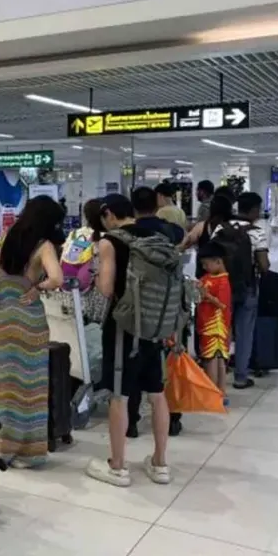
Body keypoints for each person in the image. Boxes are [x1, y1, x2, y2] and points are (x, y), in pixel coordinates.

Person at [86, 193, 170, 487]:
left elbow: (107, 289)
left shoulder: (110, 242)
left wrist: (96, 273)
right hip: (155, 324)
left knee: (119, 394)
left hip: (124, 327)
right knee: (157, 393)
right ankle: (160, 463)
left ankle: (118, 465)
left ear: (109, 214)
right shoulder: (158, 236)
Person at [0, 195, 64, 469]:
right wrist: (38, 287)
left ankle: (0, 443)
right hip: (29, 321)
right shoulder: (43, 246)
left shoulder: (7, 237)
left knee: (4, 382)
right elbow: (57, 278)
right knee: (30, 387)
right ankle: (27, 451)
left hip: (4, 318)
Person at [127, 187, 185, 438]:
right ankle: (172, 418)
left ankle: (131, 422)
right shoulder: (171, 231)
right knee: (168, 365)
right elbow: (182, 239)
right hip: (169, 307)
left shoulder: (127, 234)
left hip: (138, 308)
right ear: (156, 204)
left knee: (131, 366)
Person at [227, 192, 269, 389]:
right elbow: (264, 265)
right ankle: (241, 377)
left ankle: (216, 374)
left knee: (221, 331)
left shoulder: (221, 228)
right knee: (244, 333)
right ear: (254, 210)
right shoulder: (257, 232)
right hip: (247, 287)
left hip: (222, 287)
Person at [196, 242, 232, 400]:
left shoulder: (223, 281)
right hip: (207, 323)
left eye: (206, 264)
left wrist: (207, 295)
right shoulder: (208, 277)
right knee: (216, 358)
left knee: (212, 357)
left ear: (218, 261)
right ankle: (219, 393)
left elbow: (222, 304)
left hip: (215, 325)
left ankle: (214, 394)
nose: (204, 267)